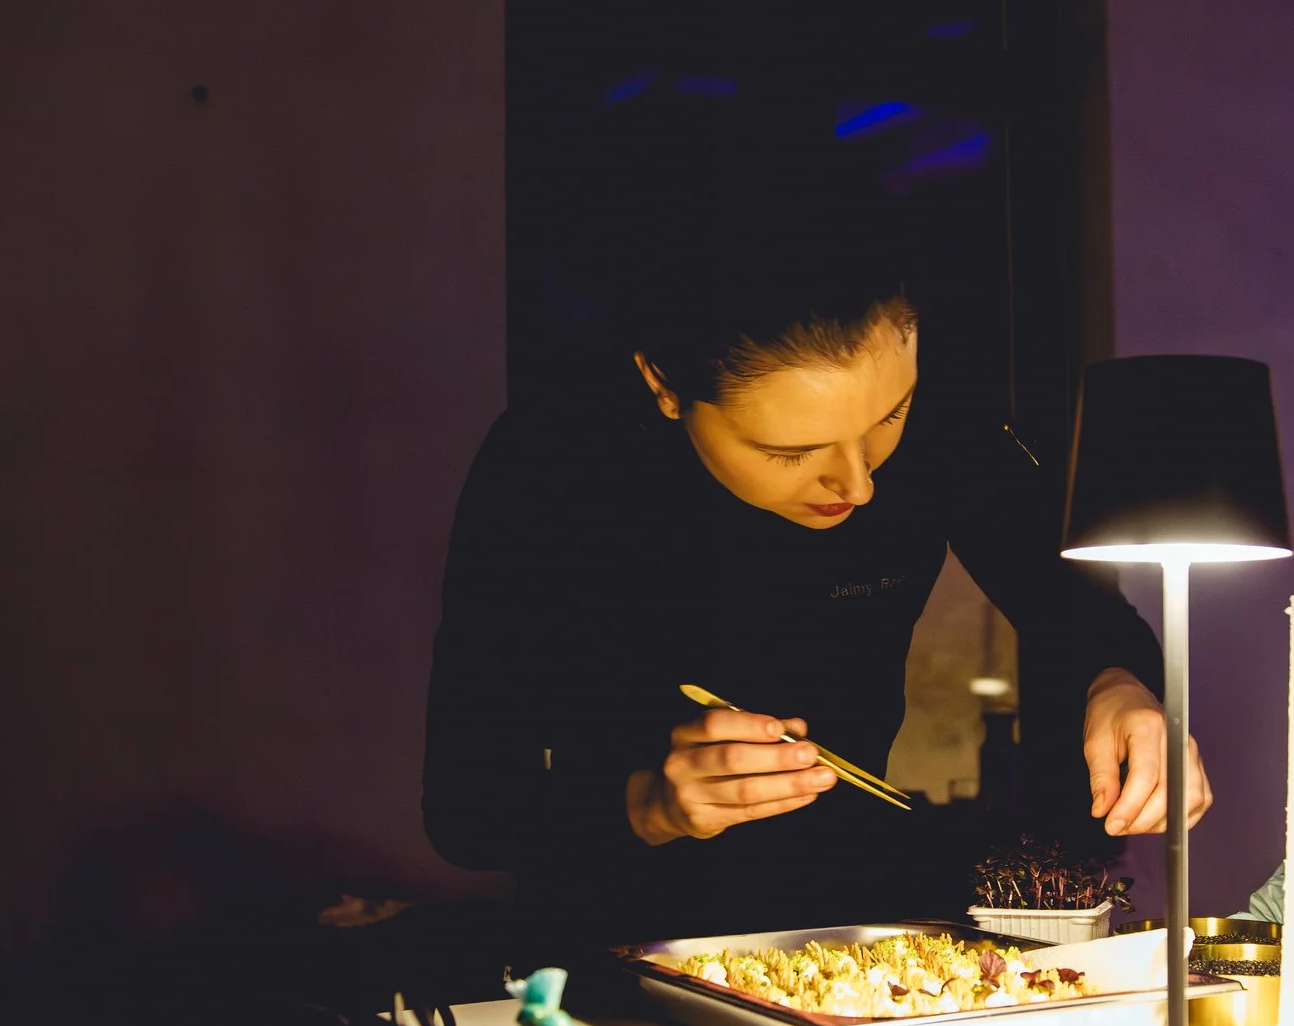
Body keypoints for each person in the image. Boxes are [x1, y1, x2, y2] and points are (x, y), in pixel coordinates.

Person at [422, 179, 1211, 942]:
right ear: (663, 385)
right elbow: (467, 810)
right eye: (790, 451)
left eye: (888, 417)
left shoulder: (944, 422)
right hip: (616, 942)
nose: (858, 483)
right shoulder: (552, 469)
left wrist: (1121, 684)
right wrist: (648, 805)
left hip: (857, 918)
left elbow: (1078, 607)